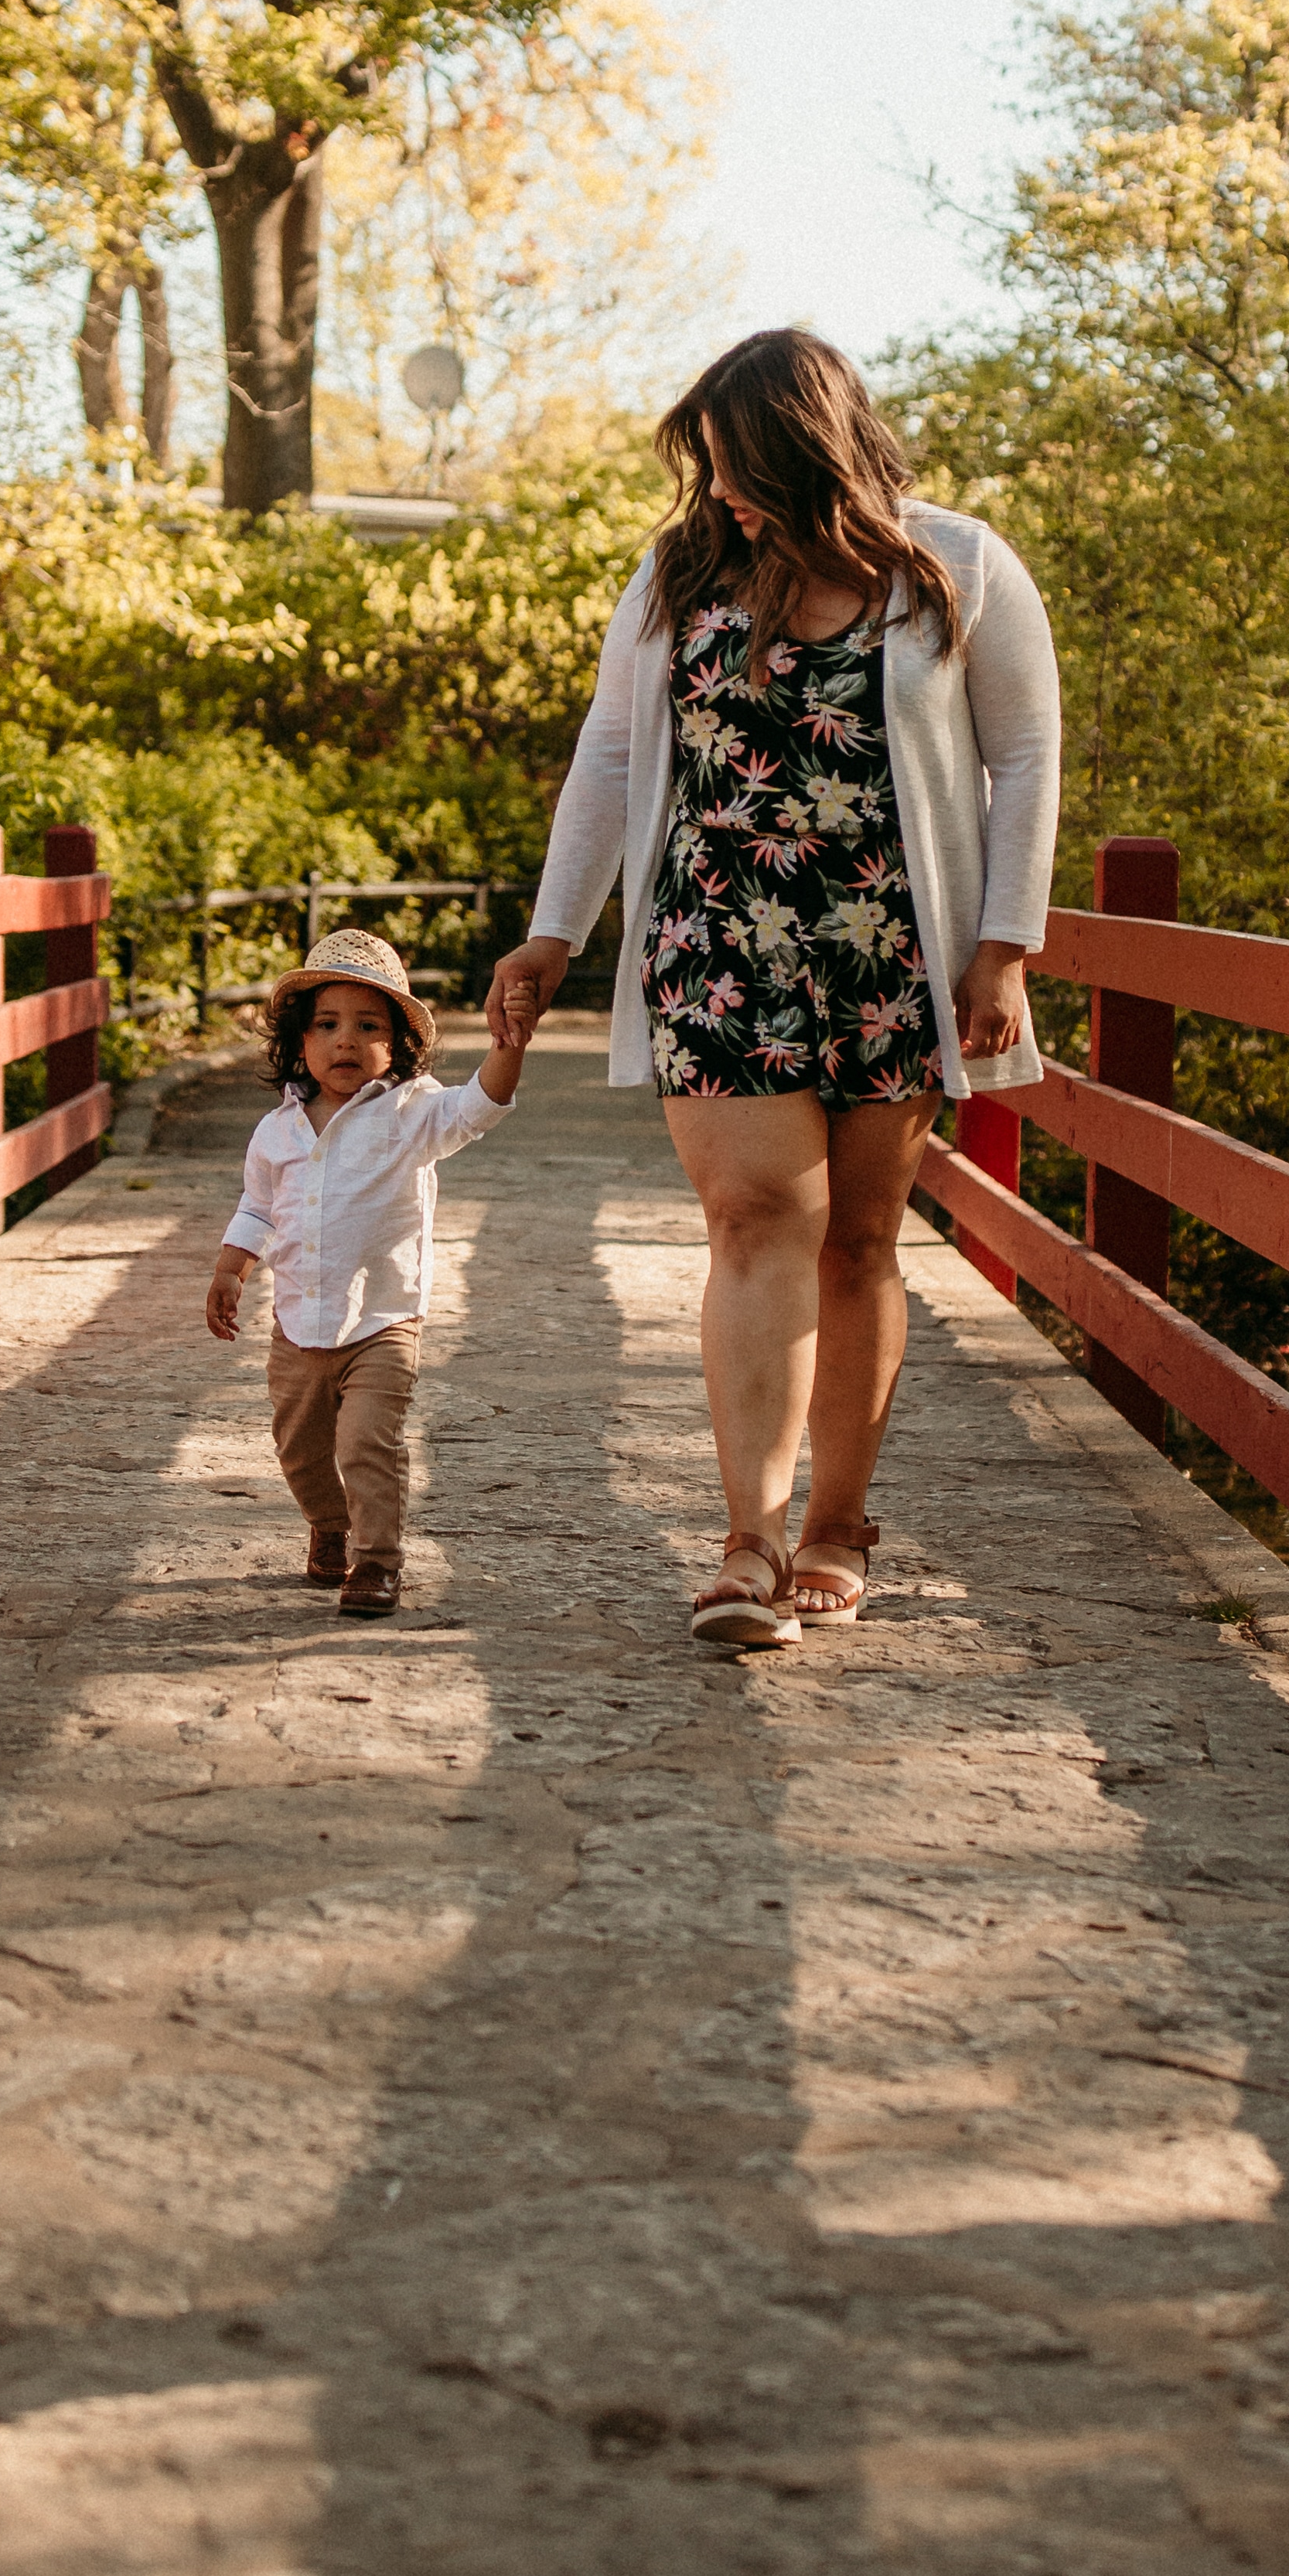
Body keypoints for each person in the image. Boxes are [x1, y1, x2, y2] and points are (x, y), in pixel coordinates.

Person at [486, 330, 1059, 1651]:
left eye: (742, 463)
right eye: (710, 465)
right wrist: (551, 930)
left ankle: (835, 1525)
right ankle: (745, 1536)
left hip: (888, 949)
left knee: (857, 1240)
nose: (723, 489)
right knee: (753, 1218)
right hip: (714, 943)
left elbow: (1024, 757)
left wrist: (1003, 945)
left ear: (812, 446)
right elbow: (612, 755)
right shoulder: (683, 573)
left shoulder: (955, 566)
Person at [209, 924, 527, 1620]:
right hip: (296, 1325)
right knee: (299, 1449)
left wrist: (510, 1045)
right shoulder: (277, 1132)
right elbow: (257, 1208)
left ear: (398, 1046)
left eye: (366, 1025)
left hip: (382, 1322)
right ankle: (329, 1523)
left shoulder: (411, 1114)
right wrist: (232, 1268)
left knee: (367, 1443)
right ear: (299, 1040)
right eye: (326, 1024)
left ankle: (376, 1563)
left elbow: (479, 1109)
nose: (345, 1040)